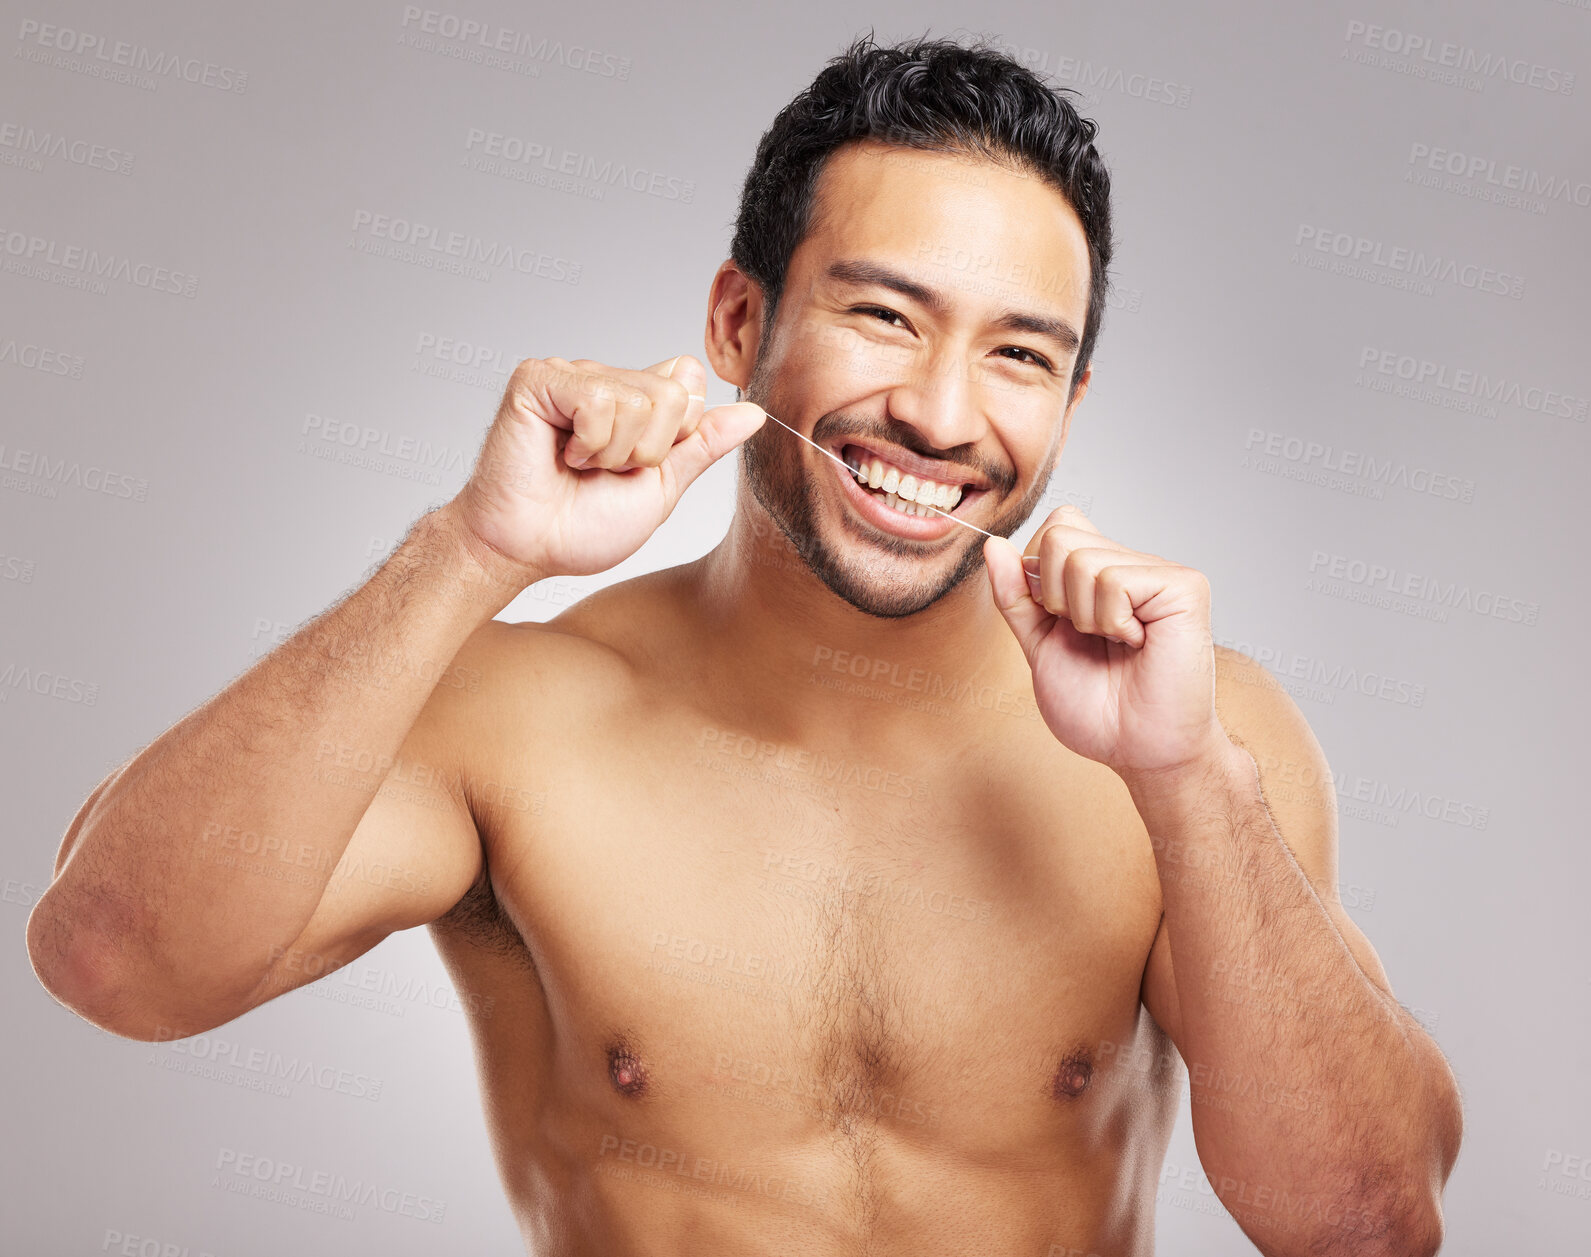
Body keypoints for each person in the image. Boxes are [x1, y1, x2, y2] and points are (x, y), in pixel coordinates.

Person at [27, 32, 1461, 1257]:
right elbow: (114, 959)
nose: (946, 416)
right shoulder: (517, 720)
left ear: (1070, 401)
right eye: (885, 315)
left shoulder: (1205, 739)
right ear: (738, 320)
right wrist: (472, 549)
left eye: (1019, 353)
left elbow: (1367, 1222)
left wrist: (1194, 781)